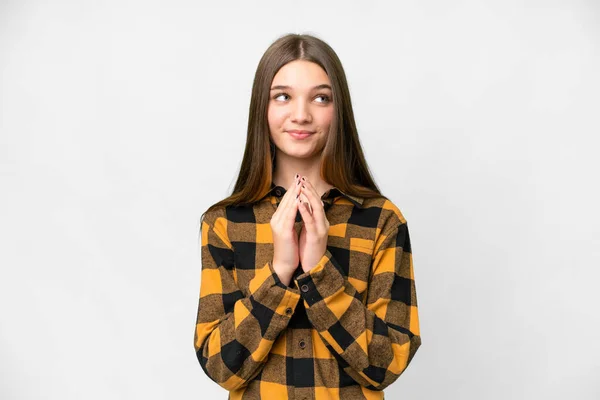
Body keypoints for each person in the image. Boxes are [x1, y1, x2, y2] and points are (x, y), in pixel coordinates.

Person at [193, 33, 422, 400]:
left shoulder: (381, 221)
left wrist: (319, 272)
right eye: (282, 96)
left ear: (338, 109)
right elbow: (221, 366)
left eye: (320, 97)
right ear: (262, 108)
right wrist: (280, 272)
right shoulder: (224, 223)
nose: (301, 114)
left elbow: (388, 363)